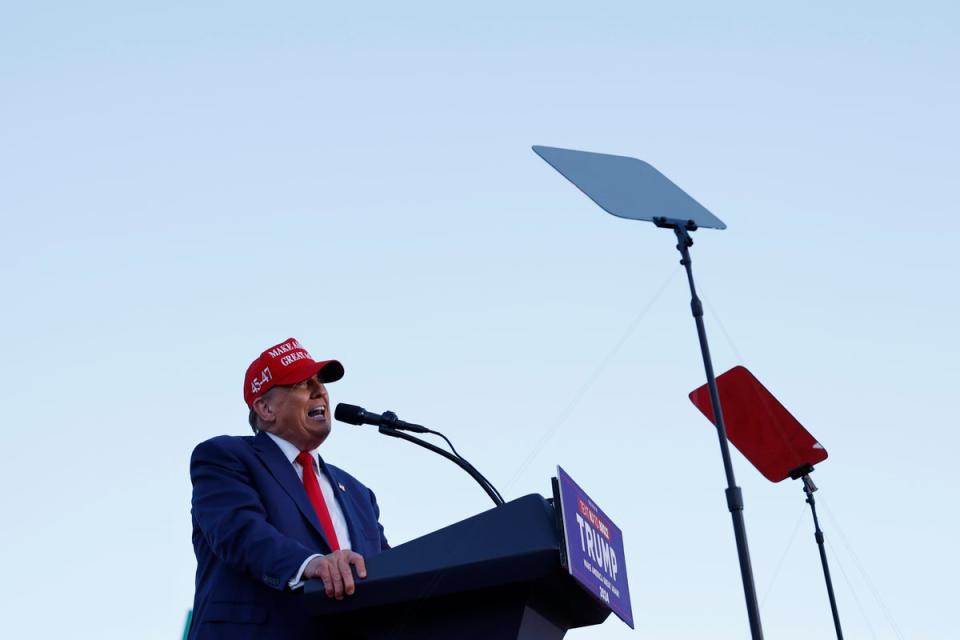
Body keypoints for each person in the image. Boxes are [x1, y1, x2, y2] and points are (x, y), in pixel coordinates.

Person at [188, 337, 389, 639]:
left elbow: (388, 572)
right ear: (265, 408)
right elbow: (240, 532)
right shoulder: (224, 458)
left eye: (319, 382)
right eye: (301, 384)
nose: (320, 390)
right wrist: (311, 564)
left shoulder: (359, 494)